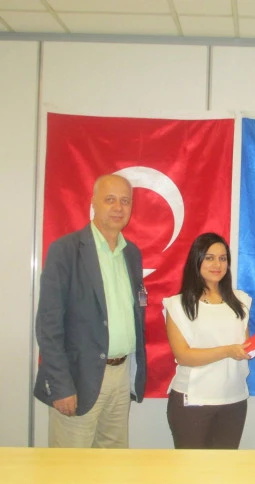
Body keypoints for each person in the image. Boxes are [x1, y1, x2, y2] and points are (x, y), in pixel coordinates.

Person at [34, 173, 147, 448]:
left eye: (125, 201)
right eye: (110, 200)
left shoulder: (131, 254)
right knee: (71, 468)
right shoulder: (65, 250)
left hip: (121, 375)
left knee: (113, 465)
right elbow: (48, 326)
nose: (118, 208)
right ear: (93, 202)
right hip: (78, 378)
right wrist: (61, 385)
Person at [164, 232, 255, 449]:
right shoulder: (178, 305)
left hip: (234, 399)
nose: (217, 264)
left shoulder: (240, 301)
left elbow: (246, 348)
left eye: (222, 258)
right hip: (193, 401)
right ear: (196, 260)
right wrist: (228, 350)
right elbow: (184, 355)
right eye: (209, 258)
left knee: (225, 468)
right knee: (192, 468)